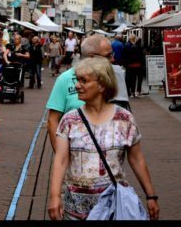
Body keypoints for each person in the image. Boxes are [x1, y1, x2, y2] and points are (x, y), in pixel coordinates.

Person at [47, 57, 159, 221]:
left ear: (102, 85)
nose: (77, 85)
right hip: (75, 210)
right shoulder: (69, 120)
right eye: (77, 80)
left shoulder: (124, 119)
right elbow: (61, 160)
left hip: (113, 207)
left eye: (83, 81)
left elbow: (137, 159)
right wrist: (55, 196)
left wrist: (151, 196)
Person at [46, 35, 130, 153]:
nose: (112, 59)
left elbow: (124, 118)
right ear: (91, 58)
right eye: (108, 55)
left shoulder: (115, 76)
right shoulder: (65, 79)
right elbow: (53, 120)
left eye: (112, 54)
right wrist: (61, 155)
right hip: (76, 159)